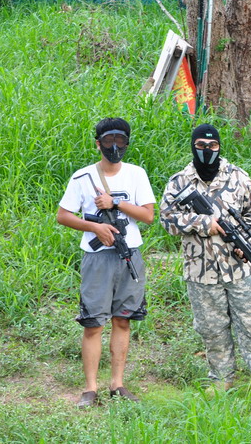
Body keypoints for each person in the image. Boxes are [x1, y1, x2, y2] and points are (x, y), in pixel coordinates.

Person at [160, 124, 251, 394]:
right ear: (193, 146)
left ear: (219, 146)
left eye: (212, 145)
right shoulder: (179, 182)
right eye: (201, 145)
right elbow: (167, 219)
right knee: (211, 328)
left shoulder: (238, 177)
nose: (207, 150)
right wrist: (204, 224)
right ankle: (221, 379)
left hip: (239, 268)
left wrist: (247, 242)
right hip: (201, 270)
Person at [56, 117, 156, 408]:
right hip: (97, 257)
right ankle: (90, 389)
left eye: (120, 140)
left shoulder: (136, 174)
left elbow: (148, 215)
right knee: (93, 324)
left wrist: (116, 203)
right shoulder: (82, 177)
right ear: (98, 143)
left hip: (129, 254)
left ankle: (117, 384)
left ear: (127, 143)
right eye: (109, 140)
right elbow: (63, 215)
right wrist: (95, 228)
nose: (115, 147)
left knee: (123, 320)